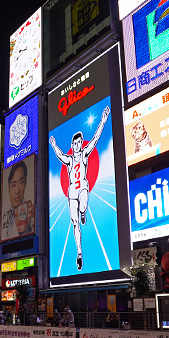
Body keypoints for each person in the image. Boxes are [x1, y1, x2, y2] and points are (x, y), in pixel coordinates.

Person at [49, 105, 111, 271]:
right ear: (72, 144)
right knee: (75, 223)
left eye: (79, 142)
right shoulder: (69, 159)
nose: (77, 145)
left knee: (82, 207)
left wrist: (103, 120)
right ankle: (79, 253)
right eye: (75, 143)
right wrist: (54, 145)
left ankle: (84, 212)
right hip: (72, 192)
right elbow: (60, 155)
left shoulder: (84, 154)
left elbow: (96, 139)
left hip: (83, 187)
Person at [1, 160, 36, 240]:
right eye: (13, 185)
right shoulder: (5, 215)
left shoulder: (31, 213)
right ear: (8, 188)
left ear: (25, 183)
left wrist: (25, 230)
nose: (17, 191)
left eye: (21, 182)